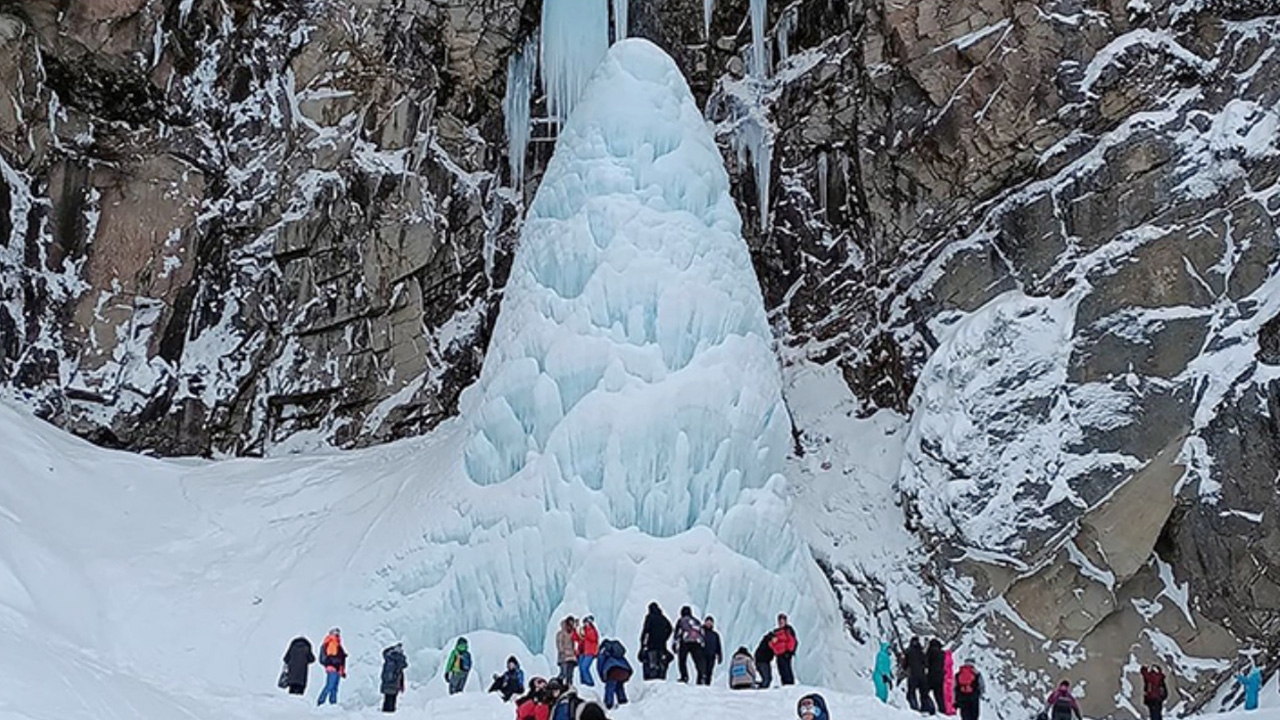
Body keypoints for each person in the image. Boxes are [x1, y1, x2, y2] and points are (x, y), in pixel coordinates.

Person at [640, 602, 674, 680]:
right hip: (662, 645)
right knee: (661, 661)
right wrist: (665, 637)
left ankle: (653, 679)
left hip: (651, 644)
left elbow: (646, 631)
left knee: (652, 662)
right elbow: (670, 628)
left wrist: (643, 644)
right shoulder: (663, 618)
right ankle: (661, 677)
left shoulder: (649, 617)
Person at [597, 638, 633, 709]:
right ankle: (623, 701)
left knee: (610, 687)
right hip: (625, 671)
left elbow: (600, 665)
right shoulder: (616, 650)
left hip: (613, 671)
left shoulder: (604, 652)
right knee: (619, 685)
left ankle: (609, 704)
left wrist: (603, 677)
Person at [674, 605, 705, 683]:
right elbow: (702, 633)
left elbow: (678, 633)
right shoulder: (696, 621)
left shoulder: (681, 620)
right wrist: (702, 643)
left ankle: (684, 676)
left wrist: (675, 643)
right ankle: (701, 676)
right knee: (698, 661)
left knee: (682, 660)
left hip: (685, 643)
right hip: (696, 643)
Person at [316, 628, 347, 705]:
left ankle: (331, 703)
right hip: (333, 668)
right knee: (330, 686)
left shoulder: (336, 644)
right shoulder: (331, 643)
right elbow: (332, 656)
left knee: (333, 687)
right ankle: (322, 701)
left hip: (336, 669)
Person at [769, 614, 799, 686]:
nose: (780, 623)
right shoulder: (776, 632)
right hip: (779, 654)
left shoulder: (787, 630)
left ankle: (789, 683)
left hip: (785, 653)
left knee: (786, 669)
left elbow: (792, 640)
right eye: (780, 621)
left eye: (782, 621)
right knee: (781, 669)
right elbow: (771, 644)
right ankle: (785, 683)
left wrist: (789, 651)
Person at [380, 642, 408, 713]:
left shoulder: (389, 660)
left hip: (389, 684)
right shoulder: (395, 662)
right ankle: (388, 713)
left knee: (388, 699)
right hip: (393, 683)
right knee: (391, 700)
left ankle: (387, 712)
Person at [904, 636, 928, 712]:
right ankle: (927, 707)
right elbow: (926, 663)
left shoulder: (908, 651)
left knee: (911, 691)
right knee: (924, 693)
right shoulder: (921, 651)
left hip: (912, 675)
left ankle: (914, 707)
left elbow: (905, 664)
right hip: (922, 675)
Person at [697, 616, 722, 685]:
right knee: (702, 669)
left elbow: (718, 646)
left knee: (709, 670)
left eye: (710, 623)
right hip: (702, 654)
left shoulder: (715, 635)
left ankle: (708, 684)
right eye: (707, 622)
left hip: (712, 655)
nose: (709, 624)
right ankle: (699, 683)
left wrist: (719, 656)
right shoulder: (701, 632)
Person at [577, 616, 599, 687]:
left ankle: (590, 683)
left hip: (590, 652)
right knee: (581, 668)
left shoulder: (592, 630)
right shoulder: (584, 630)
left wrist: (585, 633)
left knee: (584, 667)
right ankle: (583, 684)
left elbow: (593, 638)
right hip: (583, 652)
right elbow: (579, 639)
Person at [556, 617, 578, 686]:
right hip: (564, 657)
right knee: (564, 673)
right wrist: (563, 652)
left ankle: (569, 686)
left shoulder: (573, 633)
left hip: (571, 657)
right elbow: (560, 645)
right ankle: (557, 685)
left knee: (570, 675)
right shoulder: (561, 634)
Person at [926, 638, 946, 714]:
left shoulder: (930, 652)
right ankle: (942, 710)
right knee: (939, 695)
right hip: (940, 676)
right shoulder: (942, 653)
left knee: (925, 692)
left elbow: (926, 663)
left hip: (931, 676)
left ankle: (930, 708)